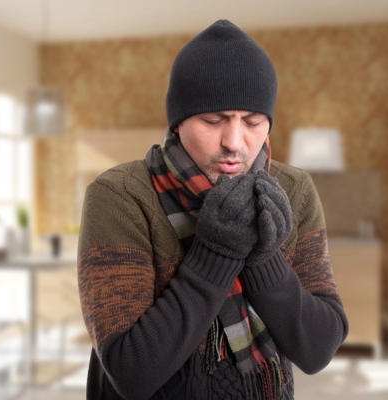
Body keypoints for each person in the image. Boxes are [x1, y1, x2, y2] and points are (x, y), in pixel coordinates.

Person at [77, 19, 349, 400]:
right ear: (178, 122)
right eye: (213, 120)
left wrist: (263, 256)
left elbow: (319, 348)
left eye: (252, 122)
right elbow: (130, 372)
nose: (234, 141)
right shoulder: (119, 196)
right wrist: (218, 251)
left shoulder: (293, 189)